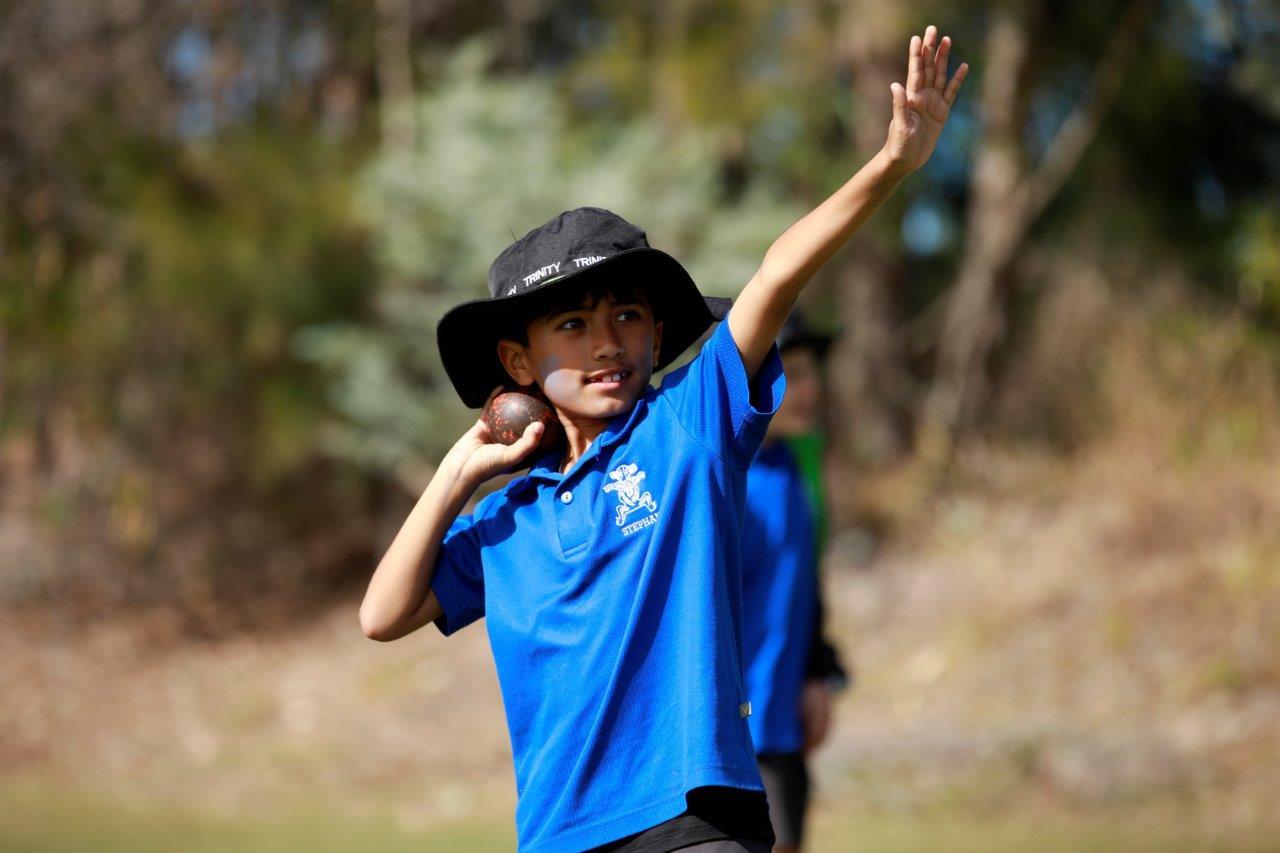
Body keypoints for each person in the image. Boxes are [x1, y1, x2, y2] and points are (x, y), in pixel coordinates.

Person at [359, 26, 966, 853]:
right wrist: (457, 472)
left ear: (655, 334)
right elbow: (382, 613)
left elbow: (776, 276)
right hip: (559, 835)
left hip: (693, 819)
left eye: (627, 316)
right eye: (572, 325)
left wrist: (890, 164)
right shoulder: (504, 521)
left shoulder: (686, 424)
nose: (607, 342)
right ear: (518, 363)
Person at [741, 311, 849, 853]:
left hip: (783, 720)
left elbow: (802, 580)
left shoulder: (797, 462)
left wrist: (816, 670)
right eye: (793, 375)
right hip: (730, 734)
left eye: (813, 374)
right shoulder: (719, 478)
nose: (810, 390)